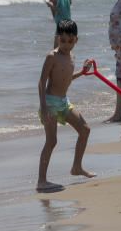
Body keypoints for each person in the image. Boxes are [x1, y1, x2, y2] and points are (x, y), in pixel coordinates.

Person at [37, 20, 96, 192]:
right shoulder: (52, 56)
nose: (66, 45)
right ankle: (41, 181)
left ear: (76, 40)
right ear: (57, 39)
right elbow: (41, 82)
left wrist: (83, 72)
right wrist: (44, 106)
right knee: (51, 141)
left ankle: (77, 167)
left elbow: (67, 79)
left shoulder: (72, 57)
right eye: (62, 41)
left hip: (64, 102)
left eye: (70, 41)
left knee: (85, 130)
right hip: (50, 103)